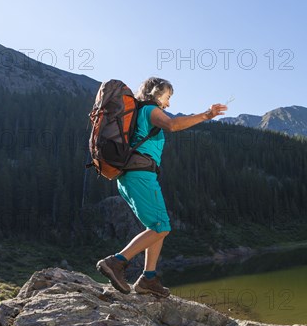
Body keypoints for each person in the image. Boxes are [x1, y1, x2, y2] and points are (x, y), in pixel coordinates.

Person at [96, 77, 228, 297]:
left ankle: (148, 279)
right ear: (155, 93)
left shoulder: (140, 112)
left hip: (132, 175)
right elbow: (173, 125)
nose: (168, 104)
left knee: (158, 226)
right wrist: (207, 115)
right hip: (140, 175)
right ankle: (116, 262)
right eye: (167, 97)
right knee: (161, 227)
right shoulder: (149, 110)